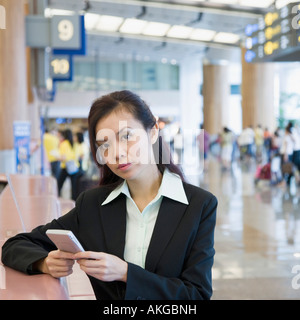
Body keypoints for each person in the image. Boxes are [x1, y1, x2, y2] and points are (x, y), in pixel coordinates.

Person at [1, 90, 217, 300]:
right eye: (104, 144)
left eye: (126, 136)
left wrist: (125, 273)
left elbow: (196, 294)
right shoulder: (94, 205)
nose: (116, 153)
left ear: (152, 132)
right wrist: (43, 263)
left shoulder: (199, 205)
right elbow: (15, 245)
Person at [57, 129, 80, 201]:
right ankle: (74, 201)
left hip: (66, 166)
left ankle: (56, 197)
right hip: (75, 166)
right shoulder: (75, 143)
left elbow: (63, 157)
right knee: (74, 186)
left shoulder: (63, 144)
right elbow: (77, 155)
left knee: (59, 184)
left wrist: (58, 157)